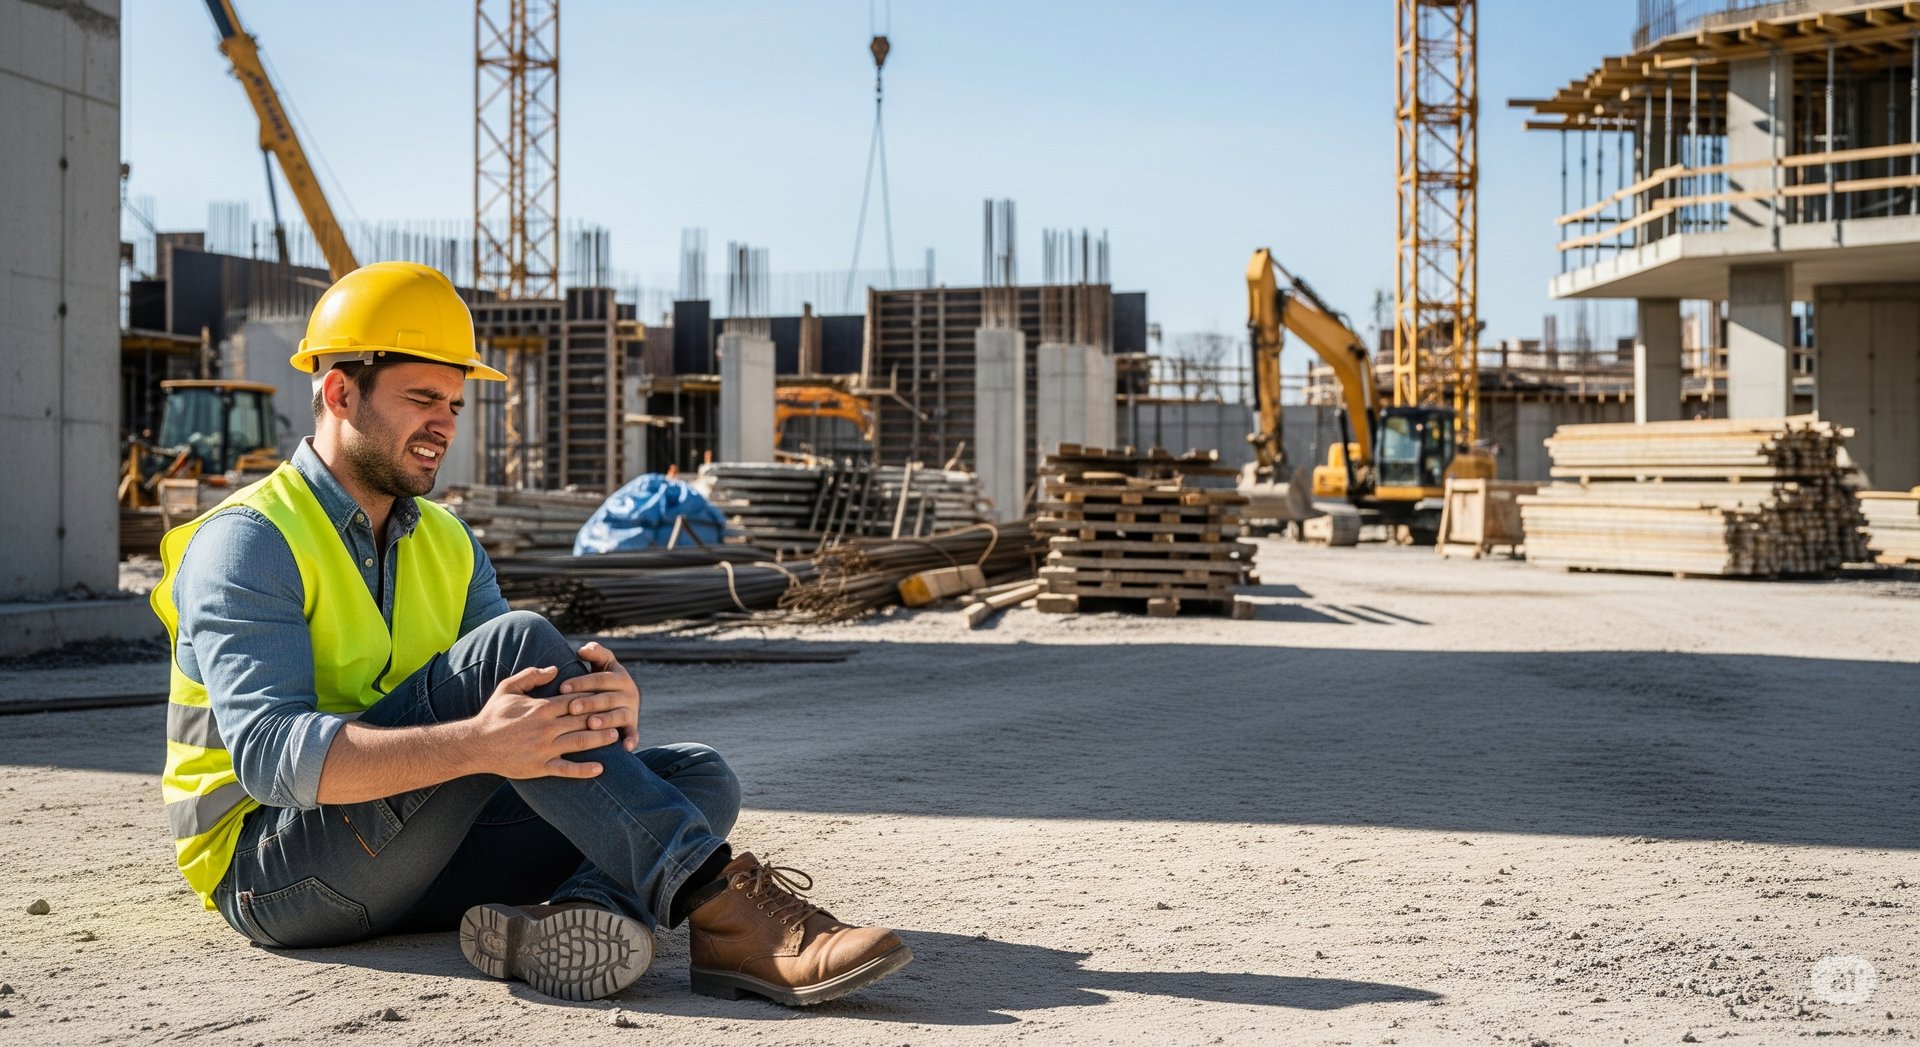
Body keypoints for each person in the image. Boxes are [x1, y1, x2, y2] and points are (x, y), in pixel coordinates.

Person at [152, 261, 911, 1005]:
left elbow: (522, 703)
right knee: (517, 648)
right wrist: (479, 744)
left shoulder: (447, 540)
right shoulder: (251, 539)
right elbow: (270, 759)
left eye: (455, 403)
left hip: (412, 858)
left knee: (696, 774)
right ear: (340, 391)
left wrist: (598, 708)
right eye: (422, 398)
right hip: (278, 873)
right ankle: (724, 911)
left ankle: (577, 916)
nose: (445, 424)